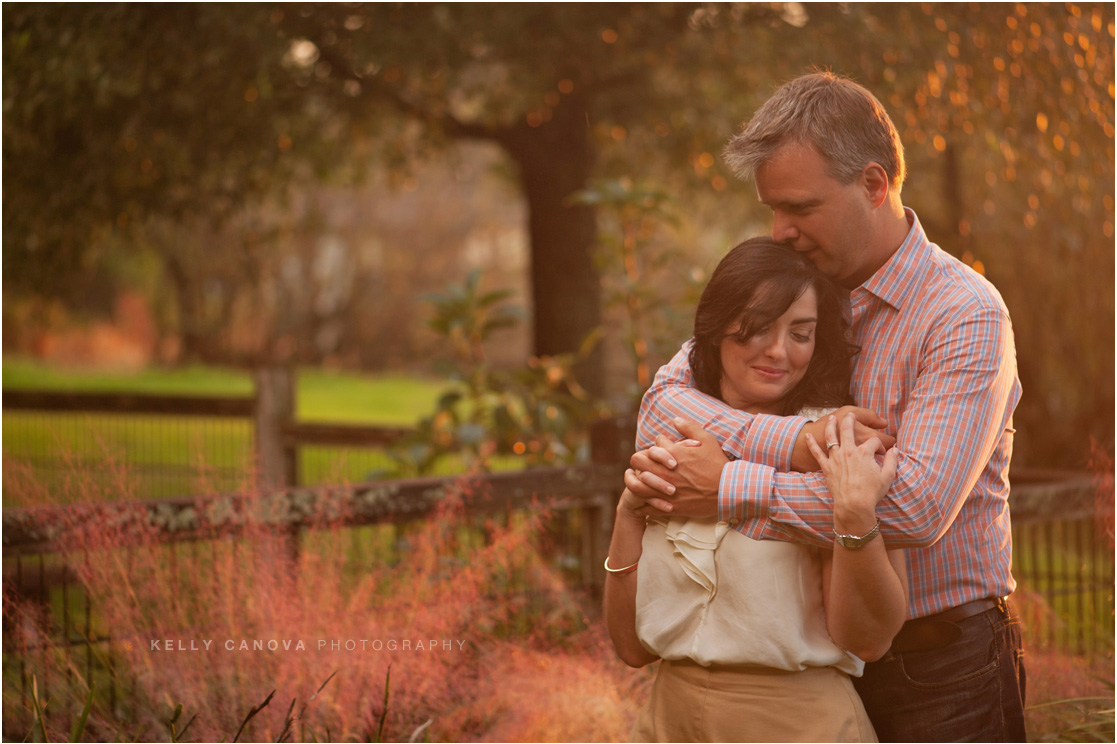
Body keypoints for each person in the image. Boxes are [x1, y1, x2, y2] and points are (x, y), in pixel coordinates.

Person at [624, 72, 1025, 742]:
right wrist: (791, 445)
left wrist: (728, 486)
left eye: (799, 208)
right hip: (805, 672)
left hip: (938, 666)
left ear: (872, 186)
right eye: (771, 211)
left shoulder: (962, 314)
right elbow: (663, 406)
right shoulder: (792, 288)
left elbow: (912, 508)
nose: (780, 231)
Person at [604, 238, 907, 742]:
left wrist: (854, 517)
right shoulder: (677, 440)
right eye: (759, 326)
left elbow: (870, 640)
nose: (778, 351)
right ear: (718, 325)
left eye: (801, 333)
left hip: (796, 724)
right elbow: (633, 649)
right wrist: (628, 518)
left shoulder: (832, 451)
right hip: (667, 721)